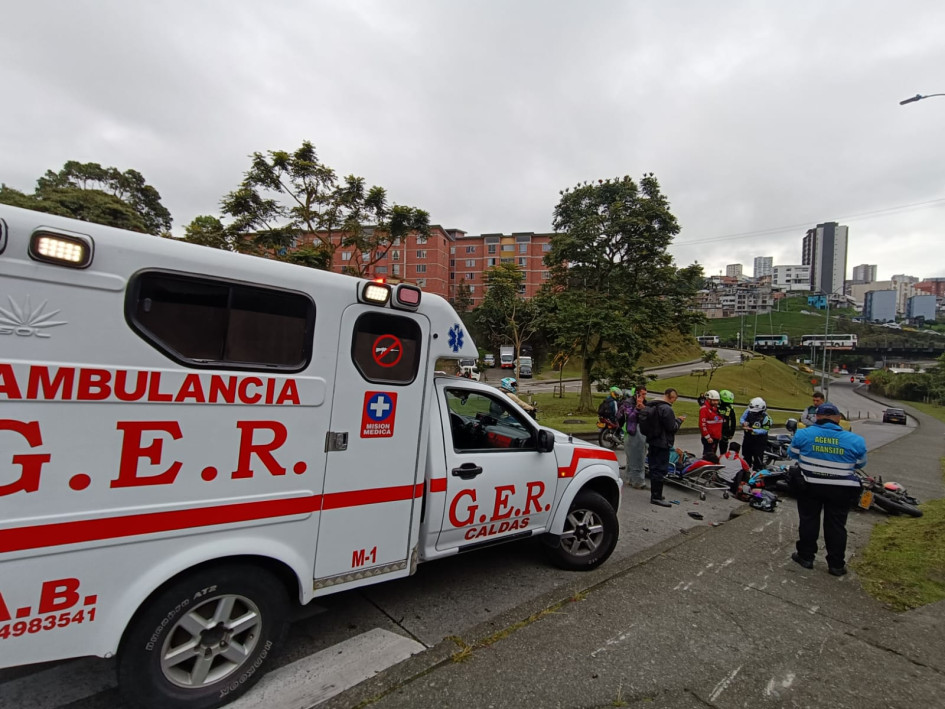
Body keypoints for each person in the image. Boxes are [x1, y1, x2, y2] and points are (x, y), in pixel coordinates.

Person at [788, 402, 867, 576]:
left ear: (817, 417)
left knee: (809, 520)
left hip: (810, 485)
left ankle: (806, 557)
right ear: (838, 418)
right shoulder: (856, 440)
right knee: (837, 525)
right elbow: (860, 463)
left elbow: (792, 453)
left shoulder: (803, 434)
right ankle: (836, 565)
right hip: (842, 489)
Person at [643, 388, 686, 508]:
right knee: (660, 469)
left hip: (653, 440)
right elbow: (672, 427)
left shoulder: (652, 405)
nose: (674, 401)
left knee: (653, 467)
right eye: (674, 399)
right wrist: (679, 420)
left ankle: (655, 493)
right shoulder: (666, 409)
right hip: (663, 443)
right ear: (670, 397)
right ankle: (656, 497)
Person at [618, 386, 648, 490]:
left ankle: (630, 479)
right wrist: (637, 409)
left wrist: (643, 407)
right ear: (637, 394)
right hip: (633, 430)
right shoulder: (628, 403)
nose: (644, 396)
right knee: (637, 457)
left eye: (645, 394)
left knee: (635, 456)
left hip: (640, 430)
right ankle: (637, 481)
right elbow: (630, 417)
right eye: (642, 394)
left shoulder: (645, 402)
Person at [740, 397, 771, 471]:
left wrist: (753, 430)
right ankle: (745, 474)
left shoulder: (767, 418)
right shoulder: (748, 411)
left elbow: (765, 430)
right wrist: (743, 423)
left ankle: (756, 474)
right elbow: (742, 419)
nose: (753, 413)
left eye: (755, 412)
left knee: (758, 459)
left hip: (759, 441)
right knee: (746, 457)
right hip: (748, 438)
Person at [698, 389, 724, 457]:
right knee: (708, 455)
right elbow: (702, 424)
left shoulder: (715, 409)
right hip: (710, 438)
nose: (716, 402)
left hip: (716, 437)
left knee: (713, 455)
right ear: (708, 399)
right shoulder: (704, 409)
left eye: (717, 400)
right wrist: (707, 437)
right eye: (714, 400)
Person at [717, 389, 738, 454]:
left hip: (723, 432)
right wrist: (731, 433)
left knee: (722, 451)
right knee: (721, 451)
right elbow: (733, 421)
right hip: (719, 430)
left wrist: (731, 433)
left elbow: (733, 422)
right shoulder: (729, 408)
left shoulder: (716, 407)